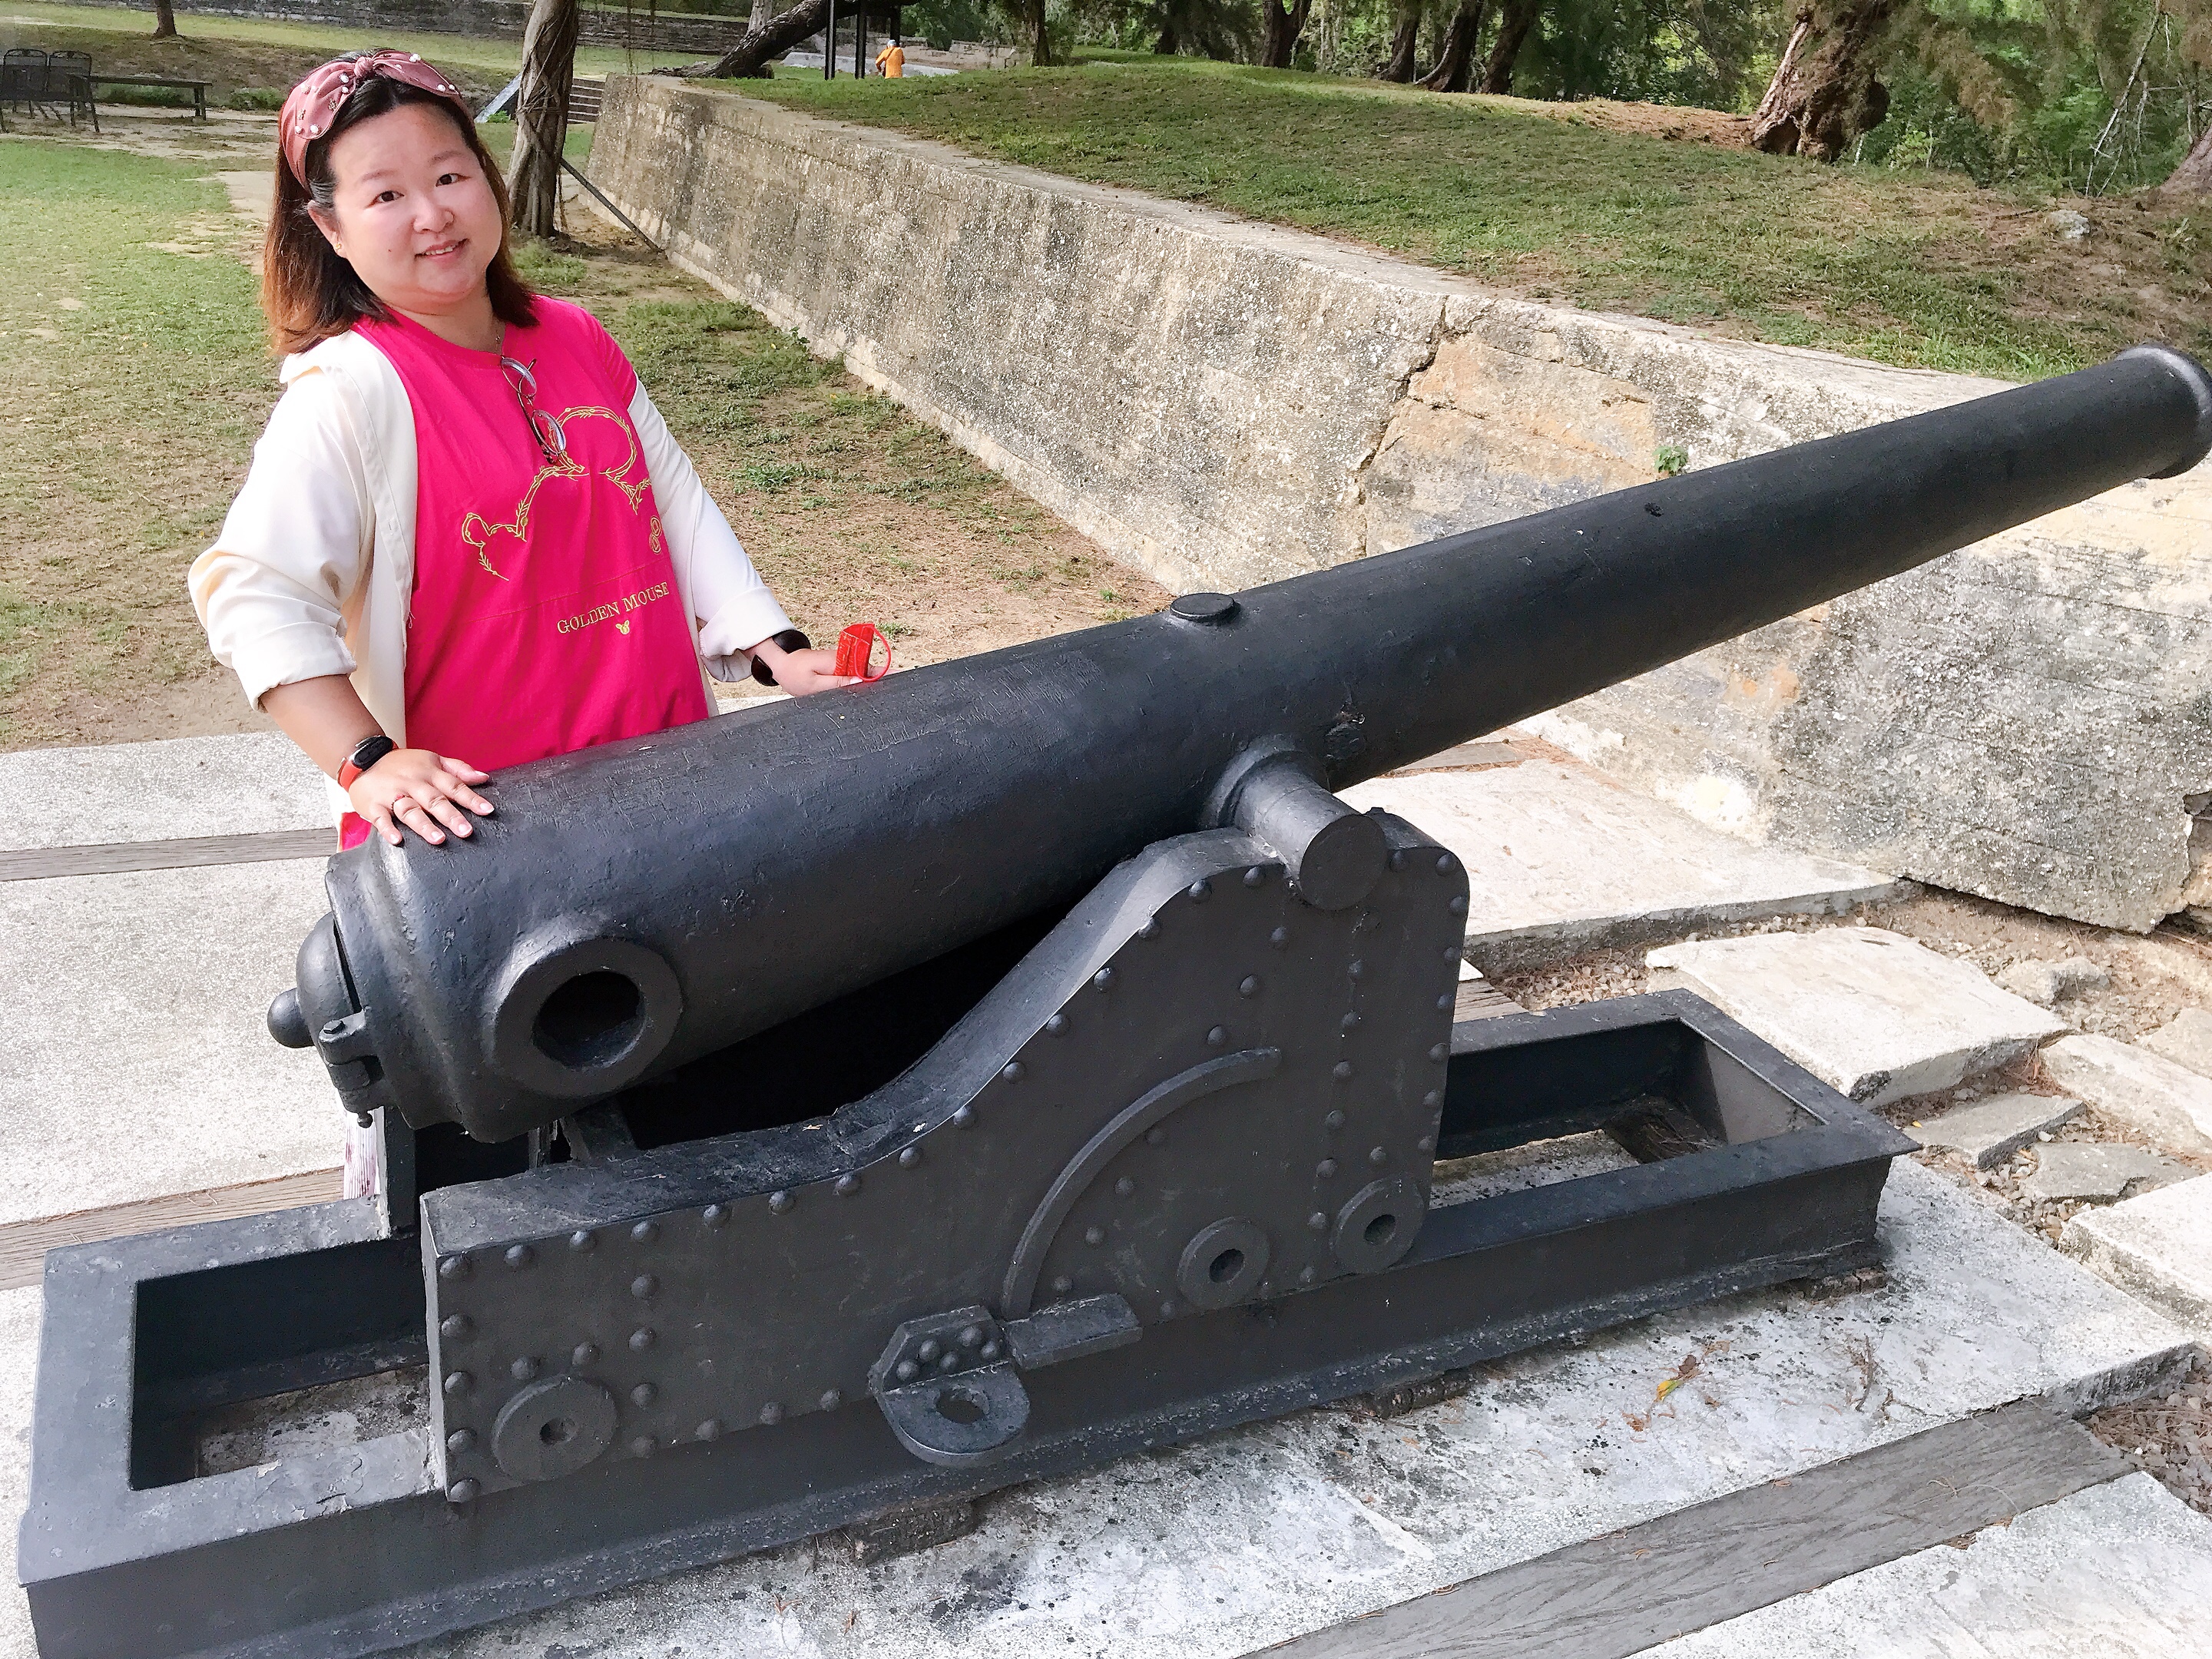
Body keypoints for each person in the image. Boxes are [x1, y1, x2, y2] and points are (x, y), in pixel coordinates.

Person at [190, 50, 850, 1194]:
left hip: (660, 787)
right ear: (330, 228)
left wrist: (777, 651)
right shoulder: (352, 393)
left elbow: (674, 504)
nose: (431, 214)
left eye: (449, 175)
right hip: (493, 842)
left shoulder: (577, 338)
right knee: (485, 1130)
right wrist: (369, 764)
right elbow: (253, 590)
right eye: (385, 193)